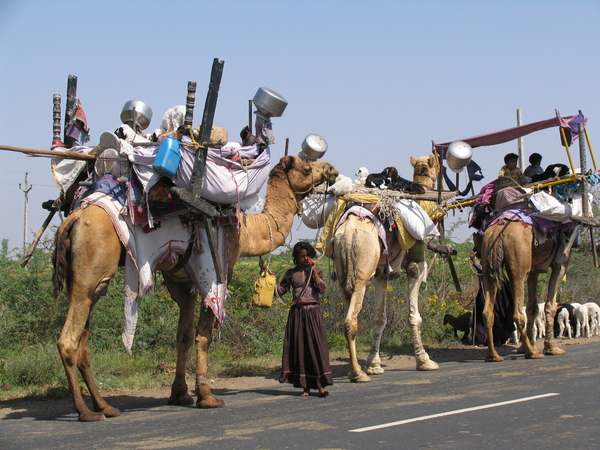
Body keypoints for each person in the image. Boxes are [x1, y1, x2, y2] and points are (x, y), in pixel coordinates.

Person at [277, 241, 334, 397]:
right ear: (296, 257)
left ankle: (321, 386)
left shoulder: (317, 271)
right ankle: (305, 387)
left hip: (313, 314)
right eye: (302, 256)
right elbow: (280, 291)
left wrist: (314, 271)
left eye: (308, 255)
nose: (305, 259)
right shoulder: (291, 273)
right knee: (301, 349)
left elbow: (322, 289)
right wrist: (267, 280)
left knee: (316, 349)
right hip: (298, 314)